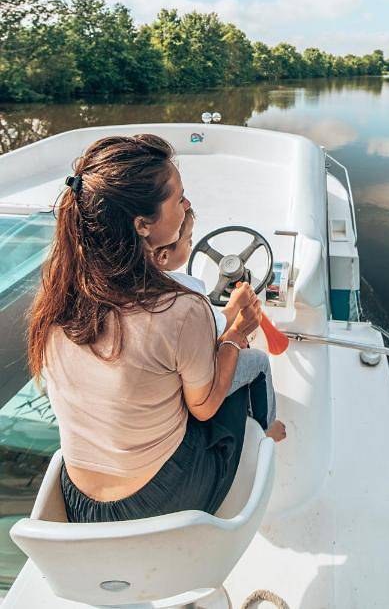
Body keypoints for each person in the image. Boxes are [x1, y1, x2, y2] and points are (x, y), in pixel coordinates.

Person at [28, 133, 270, 523]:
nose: (187, 205)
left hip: (79, 502)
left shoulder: (57, 293)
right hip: (159, 500)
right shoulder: (180, 310)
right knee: (247, 370)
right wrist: (236, 337)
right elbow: (204, 408)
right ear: (142, 224)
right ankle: (267, 435)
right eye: (178, 199)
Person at [153, 208, 285, 441]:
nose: (191, 245)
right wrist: (236, 322)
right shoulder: (188, 298)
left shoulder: (152, 283)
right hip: (187, 393)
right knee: (258, 361)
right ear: (163, 256)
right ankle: (266, 430)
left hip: (165, 380)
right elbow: (214, 329)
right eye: (189, 240)